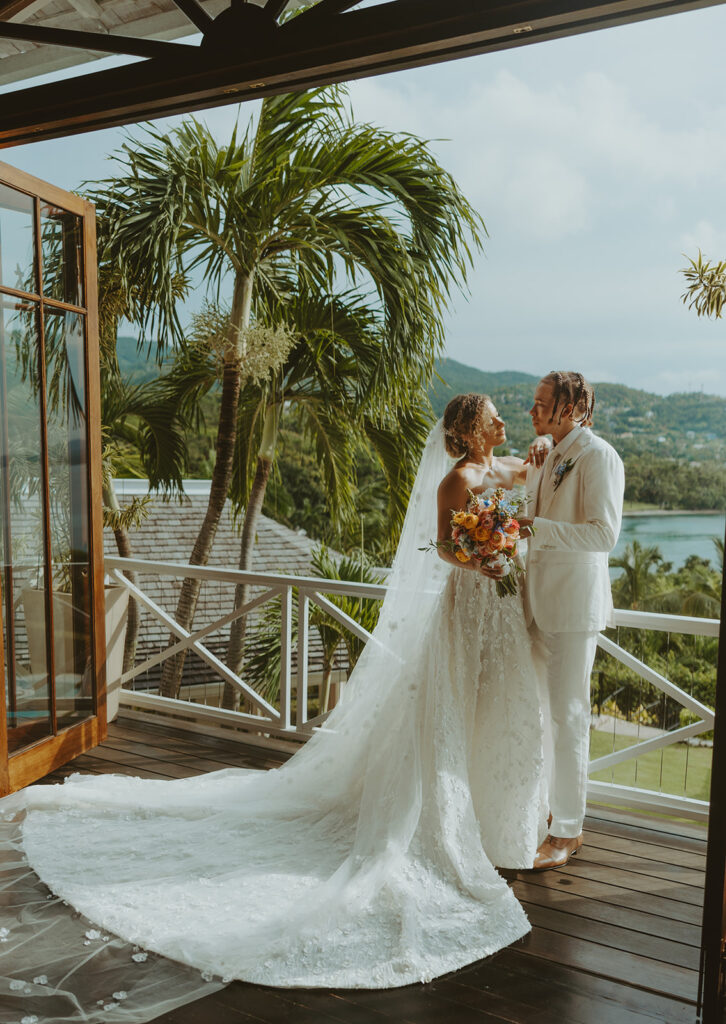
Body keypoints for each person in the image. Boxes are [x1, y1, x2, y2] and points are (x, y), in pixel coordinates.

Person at [0, 394, 550, 1023]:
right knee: (447, 710)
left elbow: (529, 473)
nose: (504, 424)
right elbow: (445, 549)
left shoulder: (493, 468)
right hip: (468, 602)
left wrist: (537, 465)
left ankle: (492, 809)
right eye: (494, 417)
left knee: (488, 709)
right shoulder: (455, 479)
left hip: (497, 610)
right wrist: (480, 551)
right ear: (470, 428)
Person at [518, 371, 625, 870]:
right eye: (534, 403)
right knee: (542, 716)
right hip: (537, 602)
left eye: (543, 404)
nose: (533, 411)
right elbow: (528, 510)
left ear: (575, 407)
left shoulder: (598, 456)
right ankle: (543, 813)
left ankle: (568, 831)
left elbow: (603, 535)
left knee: (569, 719)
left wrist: (534, 528)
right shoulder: (549, 453)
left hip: (572, 609)